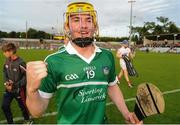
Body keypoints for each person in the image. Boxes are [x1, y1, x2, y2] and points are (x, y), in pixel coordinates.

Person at [26, 2, 140, 124]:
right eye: (76, 20)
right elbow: (36, 112)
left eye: (88, 20)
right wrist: (31, 90)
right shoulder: (53, 61)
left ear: (95, 27)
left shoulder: (106, 56)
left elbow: (111, 86)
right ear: (67, 27)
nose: (83, 25)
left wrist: (126, 113)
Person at [1, 43, 32, 124]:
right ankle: (10, 123)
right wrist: (6, 82)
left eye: (5, 52)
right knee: (5, 106)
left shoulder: (21, 62)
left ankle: (27, 120)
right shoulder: (7, 60)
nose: (3, 53)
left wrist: (15, 85)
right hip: (8, 89)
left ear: (11, 51)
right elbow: (5, 72)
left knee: (23, 107)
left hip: (19, 90)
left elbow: (27, 77)